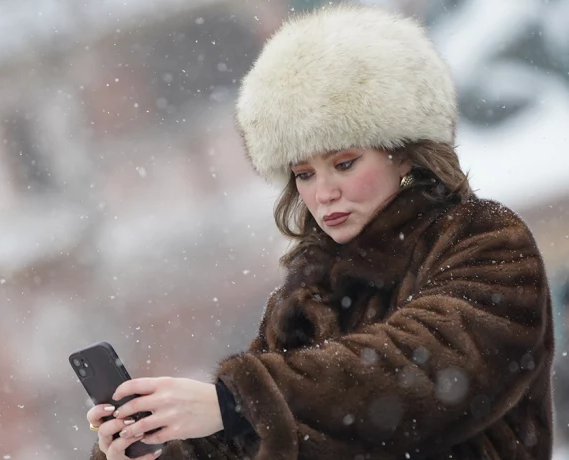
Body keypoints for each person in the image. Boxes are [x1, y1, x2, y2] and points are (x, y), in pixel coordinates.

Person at [87, 4, 555, 459]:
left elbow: (427, 371)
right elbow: (259, 433)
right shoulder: (311, 289)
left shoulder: (486, 239)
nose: (323, 192)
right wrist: (158, 445)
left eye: (344, 163)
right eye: (304, 174)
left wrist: (238, 403)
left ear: (406, 153)